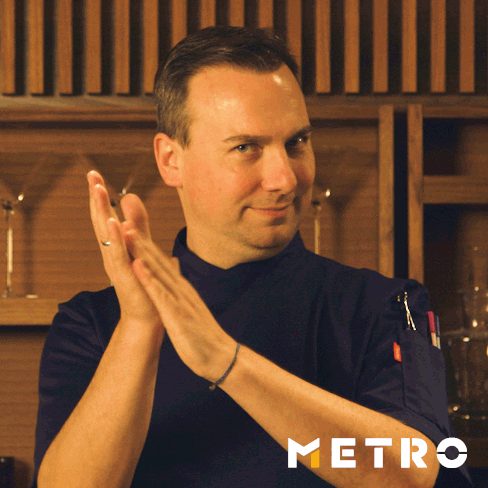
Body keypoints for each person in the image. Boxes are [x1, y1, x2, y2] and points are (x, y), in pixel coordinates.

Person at [31, 26, 472, 488]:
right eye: (246, 148)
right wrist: (140, 328)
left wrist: (227, 361)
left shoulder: (383, 306)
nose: (285, 178)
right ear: (171, 160)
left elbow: (415, 471)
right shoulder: (91, 326)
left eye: (296, 143)